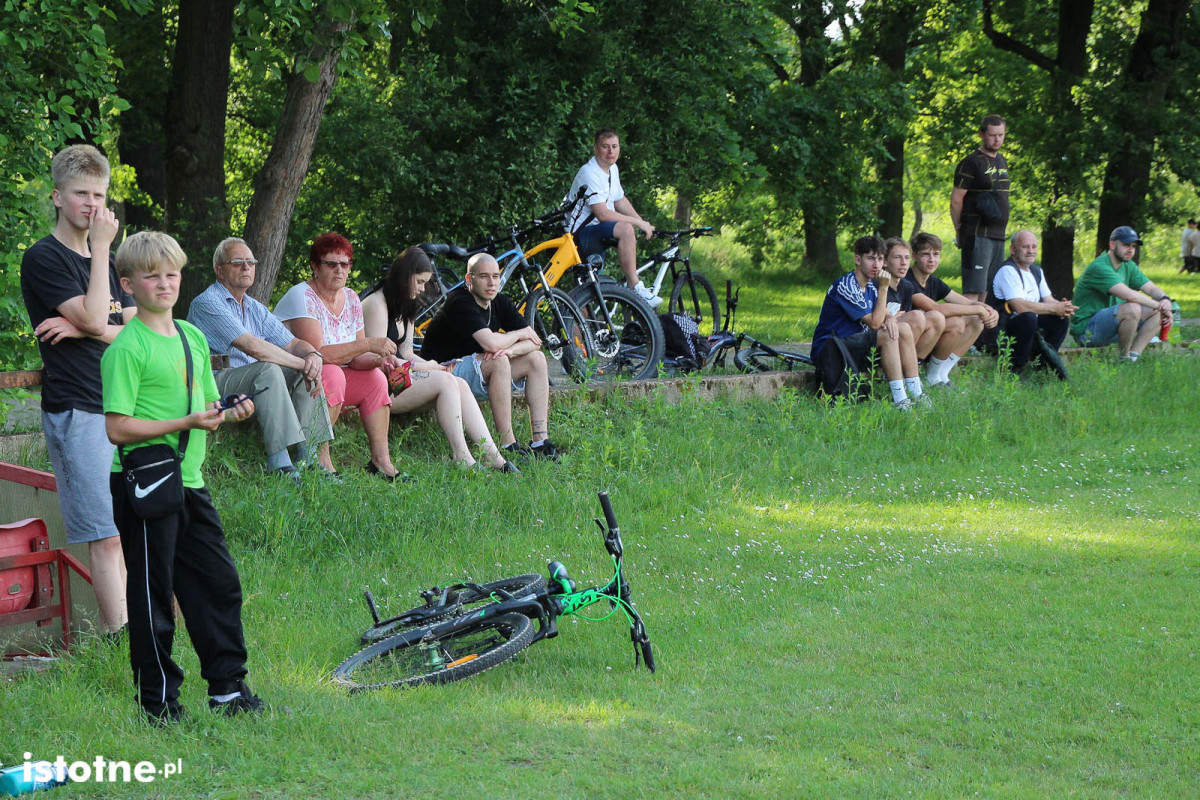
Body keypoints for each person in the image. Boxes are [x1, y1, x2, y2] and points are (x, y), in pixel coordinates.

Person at [101, 231, 262, 723]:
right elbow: (117, 428)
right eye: (152, 276)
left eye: (171, 273)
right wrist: (185, 423)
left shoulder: (192, 335)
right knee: (153, 596)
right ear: (128, 285)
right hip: (144, 483)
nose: (164, 283)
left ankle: (228, 690)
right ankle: (159, 703)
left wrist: (228, 412)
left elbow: (206, 405)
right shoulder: (126, 349)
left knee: (218, 583)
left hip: (188, 479)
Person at [19, 144, 132, 636]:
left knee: (130, 525)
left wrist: (86, 326)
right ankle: (119, 641)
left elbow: (138, 331)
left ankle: (141, 631)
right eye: (81, 194)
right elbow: (98, 315)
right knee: (103, 533)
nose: (92, 204)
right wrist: (102, 251)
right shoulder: (44, 257)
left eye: (100, 195)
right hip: (77, 408)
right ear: (57, 197)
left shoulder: (106, 264)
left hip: (124, 405)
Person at [187, 238, 334, 481]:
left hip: (249, 378)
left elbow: (293, 343)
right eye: (237, 262)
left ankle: (307, 457)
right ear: (219, 270)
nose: (246, 267)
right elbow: (253, 348)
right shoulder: (208, 302)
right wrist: (302, 363)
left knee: (297, 371)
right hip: (212, 383)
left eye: (250, 262)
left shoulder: (254, 307)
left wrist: (312, 356)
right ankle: (279, 462)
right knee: (269, 369)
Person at [361, 247, 518, 473]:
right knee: (445, 382)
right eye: (420, 282)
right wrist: (432, 368)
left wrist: (435, 366)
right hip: (380, 386)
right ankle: (462, 457)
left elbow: (406, 353)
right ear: (405, 276)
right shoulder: (377, 304)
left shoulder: (406, 305)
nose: (423, 289)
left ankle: (494, 457)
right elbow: (381, 359)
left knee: (459, 383)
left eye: (425, 282)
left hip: (400, 376)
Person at [273, 233, 402, 479]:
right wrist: (369, 343)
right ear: (314, 266)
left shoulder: (352, 298)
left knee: (375, 379)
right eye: (331, 264)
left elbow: (356, 358)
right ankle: (318, 459)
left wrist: (380, 361)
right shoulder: (302, 296)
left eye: (345, 264)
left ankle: (381, 462)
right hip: (290, 380)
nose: (339, 270)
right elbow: (316, 354)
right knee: (331, 372)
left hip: (326, 379)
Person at [420, 253, 559, 458]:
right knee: (498, 359)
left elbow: (534, 342)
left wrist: (511, 350)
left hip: (478, 371)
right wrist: (518, 334)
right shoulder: (459, 301)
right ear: (470, 279)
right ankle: (508, 443)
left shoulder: (499, 301)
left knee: (536, 360)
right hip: (444, 372)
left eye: (495, 276)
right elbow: (492, 343)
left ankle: (540, 442)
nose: (491, 282)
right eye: (484, 276)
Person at [810, 236, 927, 410]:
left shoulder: (870, 287)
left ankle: (917, 392)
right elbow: (874, 323)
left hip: (853, 345)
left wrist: (891, 319)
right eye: (871, 258)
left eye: (880, 259)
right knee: (888, 334)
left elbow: (885, 315)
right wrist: (884, 288)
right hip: (832, 349)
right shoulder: (847, 285)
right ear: (858, 259)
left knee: (903, 328)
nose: (877, 265)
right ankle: (901, 400)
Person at [564, 128, 660, 306]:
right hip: (579, 237)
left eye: (614, 146)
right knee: (625, 229)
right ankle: (636, 287)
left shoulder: (612, 169)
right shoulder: (589, 172)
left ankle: (576, 334)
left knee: (585, 299)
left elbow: (619, 199)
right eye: (605, 147)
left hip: (596, 233)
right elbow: (603, 214)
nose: (611, 152)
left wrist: (643, 223)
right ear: (595, 149)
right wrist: (637, 223)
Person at [903, 232, 998, 387]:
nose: (932, 259)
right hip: (910, 342)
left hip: (930, 338)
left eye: (936, 254)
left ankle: (942, 374)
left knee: (976, 320)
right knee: (956, 323)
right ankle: (931, 376)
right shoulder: (907, 280)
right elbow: (935, 308)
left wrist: (989, 311)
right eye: (926, 255)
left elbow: (967, 303)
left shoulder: (933, 281)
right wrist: (978, 309)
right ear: (914, 256)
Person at [1071, 226, 1172, 362]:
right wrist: (1161, 306)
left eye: (1133, 246)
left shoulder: (1128, 265)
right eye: (1125, 245)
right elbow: (1130, 296)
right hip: (1087, 332)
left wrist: (1165, 300)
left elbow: (1152, 289)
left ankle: (1133, 357)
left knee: (1157, 311)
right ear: (1112, 245)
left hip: (1111, 328)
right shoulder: (1100, 267)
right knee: (1133, 308)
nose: (1130, 250)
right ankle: (1123, 357)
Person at [990, 230, 1076, 376]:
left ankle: (1041, 363)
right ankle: (1015, 368)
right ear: (1013, 250)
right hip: (1004, 330)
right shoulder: (1008, 271)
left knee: (1059, 319)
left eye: (1034, 247)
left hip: (1028, 325)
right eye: (1025, 247)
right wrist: (1055, 308)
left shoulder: (1036, 271)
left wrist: (1063, 308)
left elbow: (1049, 300)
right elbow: (1020, 307)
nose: (1031, 251)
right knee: (1027, 317)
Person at [950, 114, 1011, 302]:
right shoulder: (970, 162)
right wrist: (959, 229)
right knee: (972, 293)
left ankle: (980, 332)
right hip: (977, 235)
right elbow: (956, 200)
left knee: (988, 292)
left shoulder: (1002, 161)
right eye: (993, 135)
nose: (997, 139)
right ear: (981, 134)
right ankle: (963, 330)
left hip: (998, 235)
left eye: (1001, 135)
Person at [882, 237, 944, 361]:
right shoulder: (875, 284)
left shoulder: (907, 286)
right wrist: (891, 317)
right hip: (878, 334)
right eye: (897, 257)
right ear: (884, 261)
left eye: (906, 257)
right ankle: (895, 365)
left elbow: (904, 316)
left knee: (936, 318)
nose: (904, 263)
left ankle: (914, 364)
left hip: (898, 333)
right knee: (917, 316)